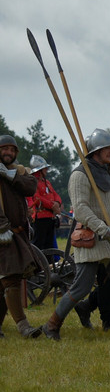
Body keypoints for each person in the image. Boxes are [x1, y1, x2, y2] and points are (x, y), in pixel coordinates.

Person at [42, 129, 110, 341]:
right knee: (81, 288)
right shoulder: (80, 174)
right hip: (92, 236)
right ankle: (51, 326)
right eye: (108, 148)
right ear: (96, 151)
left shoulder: (105, 172)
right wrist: (103, 230)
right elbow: (81, 209)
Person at [0, 135, 44, 338]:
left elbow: (30, 187)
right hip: (2, 233)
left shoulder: (17, 172)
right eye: (3, 149)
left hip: (17, 233)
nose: (7, 153)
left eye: (11, 149)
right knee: (11, 281)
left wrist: (10, 175)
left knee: (6, 281)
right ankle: (23, 326)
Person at [27, 154, 62, 250]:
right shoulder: (32, 182)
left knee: (49, 245)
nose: (46, 170)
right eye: (45, 168)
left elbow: (55, 195)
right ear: (39, 170)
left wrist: (57, 204)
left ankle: (49, 264)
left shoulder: (47, 182)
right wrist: (52, 206)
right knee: (39, 244)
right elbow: (37, 198)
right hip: (40, 218)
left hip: (50, 217)